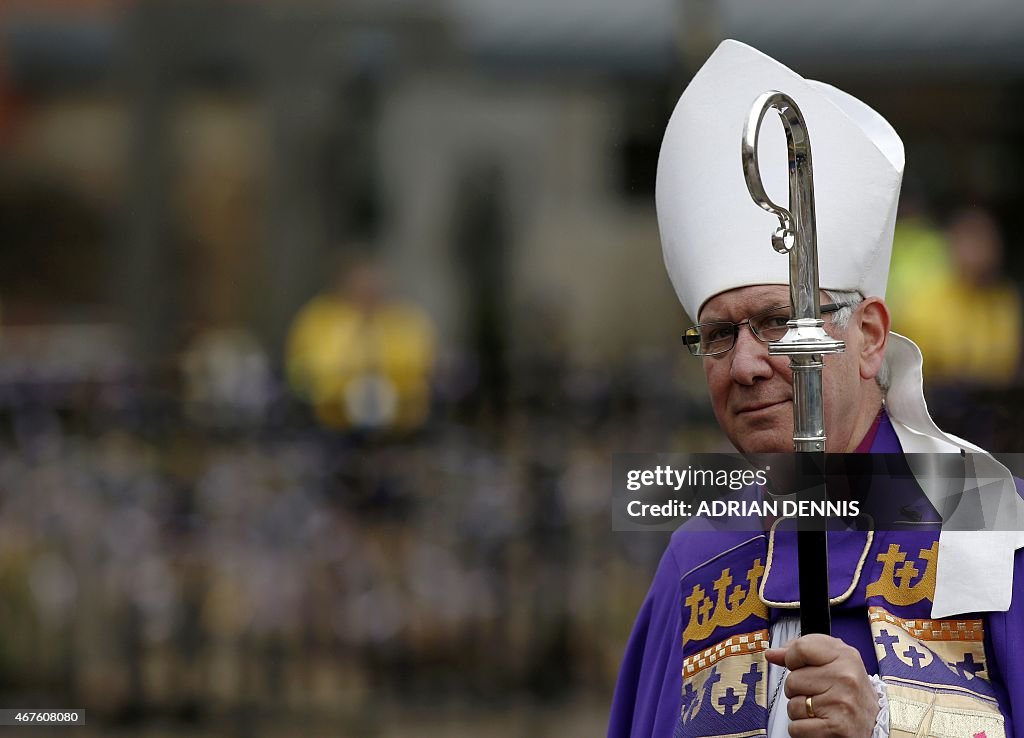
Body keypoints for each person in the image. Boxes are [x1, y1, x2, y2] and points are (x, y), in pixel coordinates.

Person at [609, 40, 1024, 738]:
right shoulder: (696, 556)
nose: (744, 365)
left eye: (777, 322)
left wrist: (885, 727)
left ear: (867, 337)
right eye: (718, 335)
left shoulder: (988, 525)